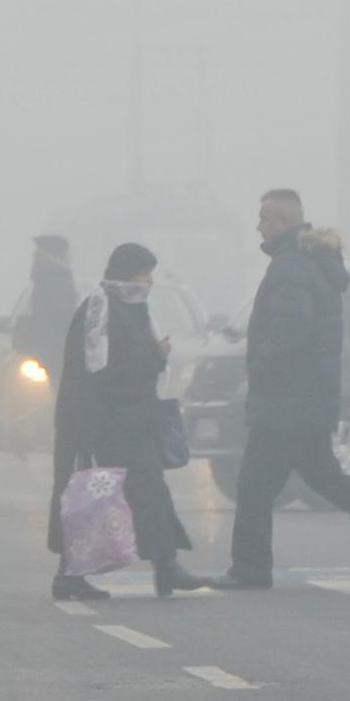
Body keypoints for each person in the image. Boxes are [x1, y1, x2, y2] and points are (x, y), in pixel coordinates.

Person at [219, 188, 350, 591]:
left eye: (263, 218)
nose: (258, 225)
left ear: (282, 222)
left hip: (286, 400)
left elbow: (291, 327)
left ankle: (250, 569)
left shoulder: (291, 267)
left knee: (255, 486)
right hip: (306, 397)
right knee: (325, 479)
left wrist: (259, 368)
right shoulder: (311, 262)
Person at [47, 243, 212, 601]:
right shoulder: (100, 308)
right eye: (143, 274)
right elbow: (104, 368)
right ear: (126, 274)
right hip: (105, 421)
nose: (148, 282)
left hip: (130, 419)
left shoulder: (129, 308)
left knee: (144, 491)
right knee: (95, 497)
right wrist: (157, 354)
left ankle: (165, 566)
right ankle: (73, 574)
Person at [24, 235, 77, 372]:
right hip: (56, 346)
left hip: (49, 345)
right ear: (57, 253)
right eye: (66, 252)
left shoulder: (45, 276)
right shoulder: (55, 277)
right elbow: (61, 314)